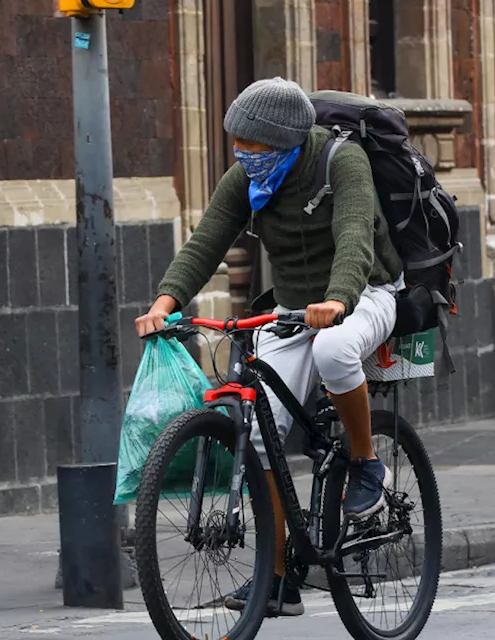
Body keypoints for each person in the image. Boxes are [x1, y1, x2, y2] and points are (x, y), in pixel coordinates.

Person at [134, 77, 404, 617]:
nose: (244, 157)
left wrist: (338, 300)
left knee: (333, 352)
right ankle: (278, 577)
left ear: (287, 141)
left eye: (254, 148)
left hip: (366, 292)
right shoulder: (248, 178)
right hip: (291, 309)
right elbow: (206, 238)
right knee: (258, 436)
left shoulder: (340, 162)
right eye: (239, 147)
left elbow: (354, 235)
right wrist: (165, 301)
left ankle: (366, 460)